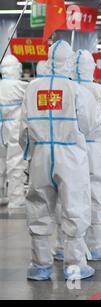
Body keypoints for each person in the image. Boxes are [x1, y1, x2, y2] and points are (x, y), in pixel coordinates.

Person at [19, 40, 101, 280]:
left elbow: (23, 131)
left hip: (41, 156)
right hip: (70, 156)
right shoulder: (76, 90)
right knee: (74, 207)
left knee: (39, 206)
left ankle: (40, 265)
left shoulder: (32, 88)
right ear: (69, 63)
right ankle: (75, 264)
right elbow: (87, 126)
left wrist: (30, 153)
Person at [67, 49, 101, 259]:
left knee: (71, 192)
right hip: (95, 147)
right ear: (92, 67)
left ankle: (68, 245)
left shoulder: (67, 89)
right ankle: (96, 243)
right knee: (97, 190)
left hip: (70, 147)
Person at [0, 55, 28, 210]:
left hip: (1, 127)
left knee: (0, 163)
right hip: (15, 127)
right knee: (15, 163)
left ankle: (1, 195)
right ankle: (16, 199)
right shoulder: (20, 86)